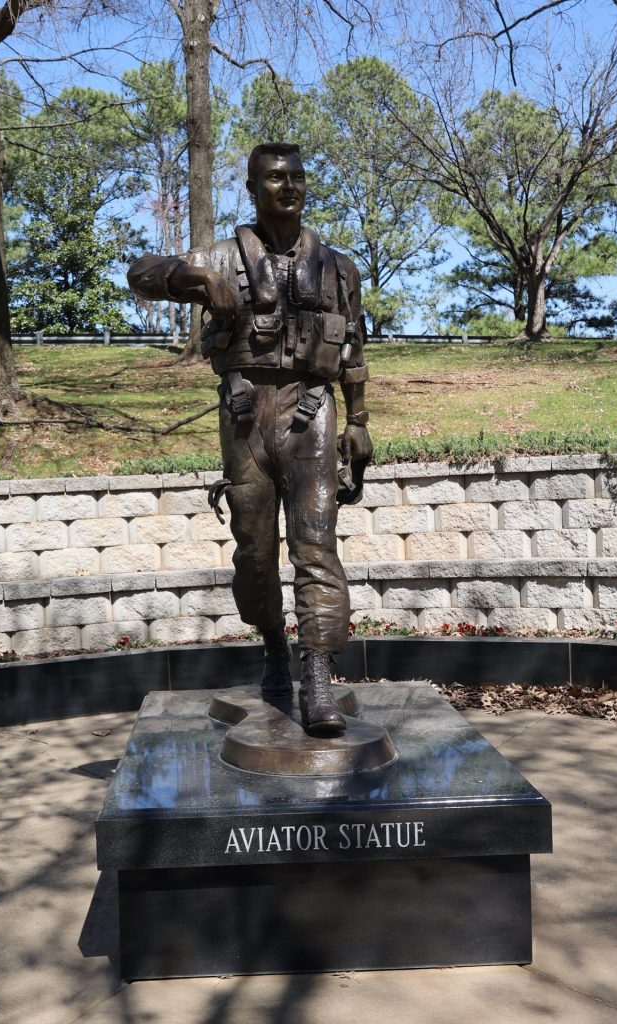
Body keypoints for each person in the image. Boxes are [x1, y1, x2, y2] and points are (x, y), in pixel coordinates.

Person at [127, 142, 372, 734]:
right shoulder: (221, 255)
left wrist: (360, 420)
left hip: (311, 412)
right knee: (255, 553)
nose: (287, 187)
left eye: (296, 177)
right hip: (244, 416)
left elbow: (356, 349)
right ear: (252, 186)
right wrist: (196, 276)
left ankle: (317, 676)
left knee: (316, 545)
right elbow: (140, 272)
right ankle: (272, 649)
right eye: (273, 178)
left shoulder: (339, 268)